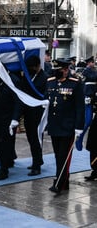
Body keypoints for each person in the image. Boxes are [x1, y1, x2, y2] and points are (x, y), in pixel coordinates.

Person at [46, 59, 85, 193]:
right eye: (55, 70)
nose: (56, 72)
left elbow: (80, 107)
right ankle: (64, 181)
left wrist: (79, 127)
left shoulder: (75, 84)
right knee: (58, 155)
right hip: (54, 125)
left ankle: (59, 183)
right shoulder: (50, 82)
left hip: (68, 126)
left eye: (59, 70)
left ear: (66, 70)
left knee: (64, 156)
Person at [0, 71, 22, 180]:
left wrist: (16, 118)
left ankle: (4, 170)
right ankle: (7, 159)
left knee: (5, 143)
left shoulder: (13, 80)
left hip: (8, 118)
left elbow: (18, 100)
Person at [22, 55, 47, 176]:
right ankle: (37, 160)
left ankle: (37, 166)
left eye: (32, 67)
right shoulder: (29, 76)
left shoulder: (44, 78)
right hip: (28, 112)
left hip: (38, 114)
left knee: (36, 139)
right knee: (31, 139)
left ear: (37, 66)